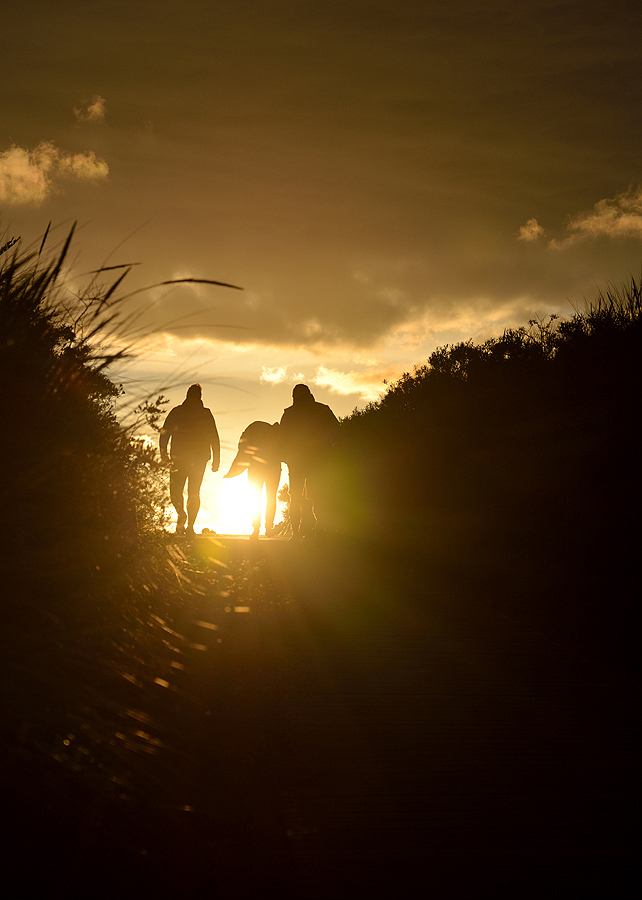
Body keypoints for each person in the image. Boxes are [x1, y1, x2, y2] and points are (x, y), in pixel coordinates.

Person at [279, 384, 340, 540]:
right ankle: (312, 530)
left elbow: (281, 438)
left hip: (307, 460)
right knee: (314, 495)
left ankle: (304, 532)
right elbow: (337, 431)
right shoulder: (321, 410)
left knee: (304, 496)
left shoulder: (291, 413)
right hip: (311, 460)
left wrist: (286, 456)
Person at [159, 384, 220, 535]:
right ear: (200, 396)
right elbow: (214, 438)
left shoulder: (179, 411)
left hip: (181, 459)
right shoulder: (202, 413)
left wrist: (164, 454)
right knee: (193, 492)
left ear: (187, 395)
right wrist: (216, 460)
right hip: (193, 460)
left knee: (178, 492)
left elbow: (164, 434)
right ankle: (188, 522)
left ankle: (186, 520)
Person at [224, 421, 282, 539]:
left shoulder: (255, 426)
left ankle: (256, 529)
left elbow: (242, 443)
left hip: (256, 468)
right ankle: (267, 528)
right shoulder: (278, 433)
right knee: (270, 498)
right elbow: (285, 450)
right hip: (271, 469)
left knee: (257, 498)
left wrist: (246, 457)